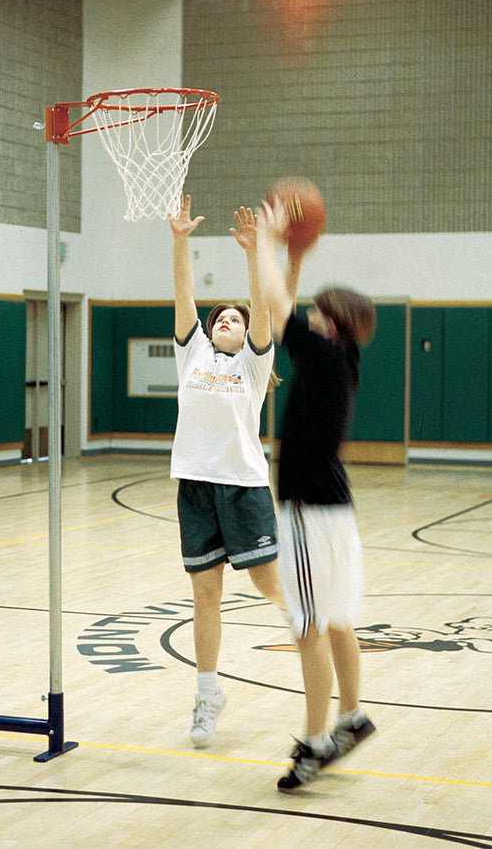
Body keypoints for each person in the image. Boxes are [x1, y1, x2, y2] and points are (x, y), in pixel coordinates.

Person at [254, 196, 377, 792]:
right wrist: (290, 255)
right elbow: (289, 314)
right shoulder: (342, 360)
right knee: (336, 619)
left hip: (306, 511)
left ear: (334, 322)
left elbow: (278, 313)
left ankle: (313, 742)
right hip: (334, 511)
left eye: (320, 314)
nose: (314, 318)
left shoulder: (327, 358)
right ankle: (350, 717)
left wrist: (266, 244)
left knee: (307, 625)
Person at [169, 194, 284, 748]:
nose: (229, 321)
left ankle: (316, 627)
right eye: (222, 318)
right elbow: (185, 296)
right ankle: (207, 693)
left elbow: (262, 306)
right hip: (195, 487)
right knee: (205, 597)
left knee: (268, 584)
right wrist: (179, 239)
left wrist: (254, 252)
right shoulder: (192, 356)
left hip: (244, 488)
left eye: (235, 319)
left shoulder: (253, 366)